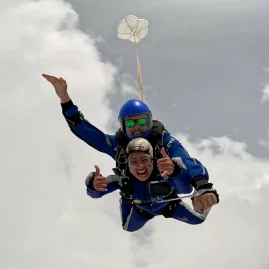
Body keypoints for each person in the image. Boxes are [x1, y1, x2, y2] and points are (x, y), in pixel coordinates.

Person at [42, 74, 219, 210]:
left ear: (150, 121)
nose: (137, 128)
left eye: (142, 122)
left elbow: (187, 161)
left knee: (188, 194)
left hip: (167, 199)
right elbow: (87, 132)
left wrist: (202, 185)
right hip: (137, 203)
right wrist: (65, 99)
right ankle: (135, 203)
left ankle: (178, 195)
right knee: (127, 224)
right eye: (130, 123)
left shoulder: (163, 140)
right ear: (122, 125)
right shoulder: (118, 144)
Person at [85, 138, 219, 232]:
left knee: (198, 219)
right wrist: (94, 184)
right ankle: (126, 198)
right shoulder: (123, 179)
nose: (140, 166)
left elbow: (185, 186)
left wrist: (202, 191)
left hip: (169, 206)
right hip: (141, 210)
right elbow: (95, 193)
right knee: (128, 227)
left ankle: (130, 197)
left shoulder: (164, 173)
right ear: (127, 165)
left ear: (153, 162)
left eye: (144, 160)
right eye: (133, 162)